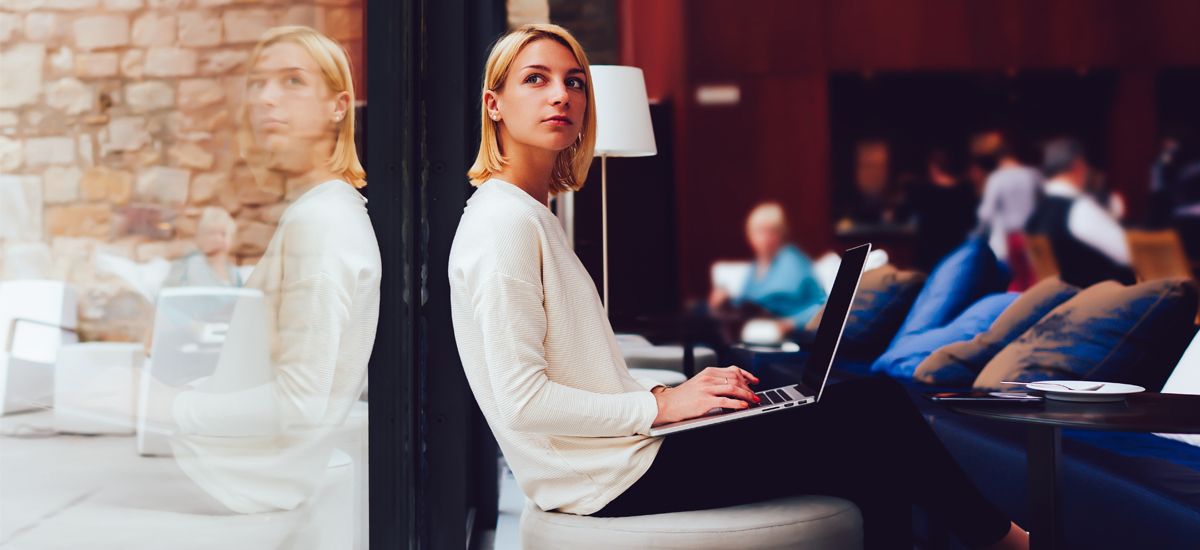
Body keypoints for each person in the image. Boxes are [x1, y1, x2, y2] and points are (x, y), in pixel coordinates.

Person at [447, 23, 1028, 550]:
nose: (561, 95)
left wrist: (682, 396)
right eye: (536, 79)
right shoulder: (504, 224)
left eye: (575, 81)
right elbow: (525, 402)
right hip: (608, 478)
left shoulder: (528, 214)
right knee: (875, 409)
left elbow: (580, 375)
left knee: (862, 446)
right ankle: (1012, 544)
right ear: (494, 105)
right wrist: (663, 403)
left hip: (617, 460)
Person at [109, 26, 380, 523]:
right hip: (253, 484)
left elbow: (302, 405)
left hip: (256, 491)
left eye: (292, 81)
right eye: (257, 84)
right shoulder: (317, 212)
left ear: (338, 106)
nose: (265, 99)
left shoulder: (321, 223)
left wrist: (165, 405)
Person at [707, 202, 826, 341]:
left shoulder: (792, 261)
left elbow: (823, 304)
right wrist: (724, 298)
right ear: (750, 235)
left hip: (786, 338)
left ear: (782, 233)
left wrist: (791, 324)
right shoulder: (756, 265)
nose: (766, 238)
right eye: (760, 231)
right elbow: (747, 302)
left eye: (772, 231)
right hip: (754, 330)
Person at [1026, 138, 1134, 288]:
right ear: (1079, 167)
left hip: (1064, 303)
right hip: (1104, 304)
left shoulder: (1037, 215)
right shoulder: (1077, 209)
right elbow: (1129, 253)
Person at [975, 138, 1042, 289]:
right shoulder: (1032, 175)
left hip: (1013, 236)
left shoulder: (997, 178)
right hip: (1035, 234)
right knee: (1038, 280)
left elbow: (986, 212)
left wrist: (979, 233)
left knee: (1017, 279)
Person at [895, 149, 978, 272]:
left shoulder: (922, 190)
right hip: (956, 248)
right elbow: (971, 221)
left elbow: (900, 215)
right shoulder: (964, 190)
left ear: (932, 167)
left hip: (928, 251)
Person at [164, 206, 243, 288]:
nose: (218, 239)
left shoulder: (232, 271)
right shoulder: (192, 264)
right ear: (200, 237)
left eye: (223, 234)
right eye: (211, 233)